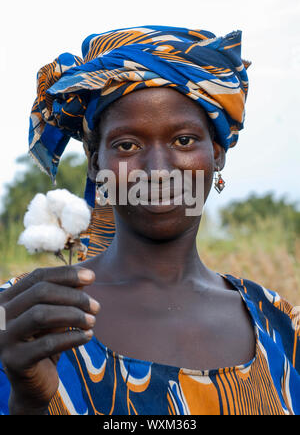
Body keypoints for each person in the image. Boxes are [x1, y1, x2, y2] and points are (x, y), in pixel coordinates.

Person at [0, 26, 299, 416]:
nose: (158, 171)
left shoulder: (279, 324)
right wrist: (26, 402)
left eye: (184, 141)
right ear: (96, 163)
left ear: (218, 152)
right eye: (128, 145)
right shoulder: (27, 314)